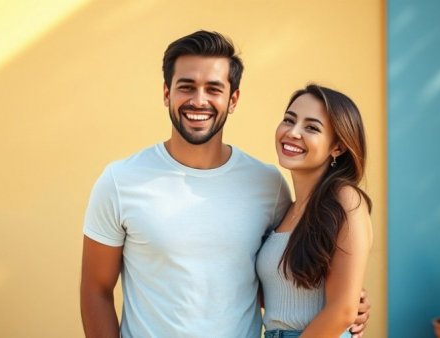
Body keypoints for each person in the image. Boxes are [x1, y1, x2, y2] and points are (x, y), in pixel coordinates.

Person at [80, 31, 369, 337]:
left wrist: (347, 304)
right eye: (186, 86)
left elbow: (289, 272)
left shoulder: (268, 185)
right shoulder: (120, 180)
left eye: (213, 89)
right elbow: (95, 291)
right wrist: (343, 306)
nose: (198, 100)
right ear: (167, 93)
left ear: (233, 100)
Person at [257, 84, 373, 338]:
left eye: (311, 127)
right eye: (289, 120)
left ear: (338, 147)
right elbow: (283, 293)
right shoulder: (286, 208)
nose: (293, 132)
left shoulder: (345, 199)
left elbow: (343, 311)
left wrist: (352, 302)